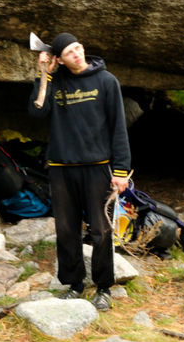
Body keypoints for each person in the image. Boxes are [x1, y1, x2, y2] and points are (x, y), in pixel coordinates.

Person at [28, 33, 131, 311]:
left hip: (97, 168)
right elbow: (37, 112)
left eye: (78, 47)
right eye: (69, 52)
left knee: (101, 230)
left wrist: (121, 170)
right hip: (62, 169)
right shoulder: (56, 81)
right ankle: (74, 284)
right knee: (65, 229)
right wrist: (43, 75)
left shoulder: (106, 81)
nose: (76, 53)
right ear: (59, 59)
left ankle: (103, 287)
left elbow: (118, 128)